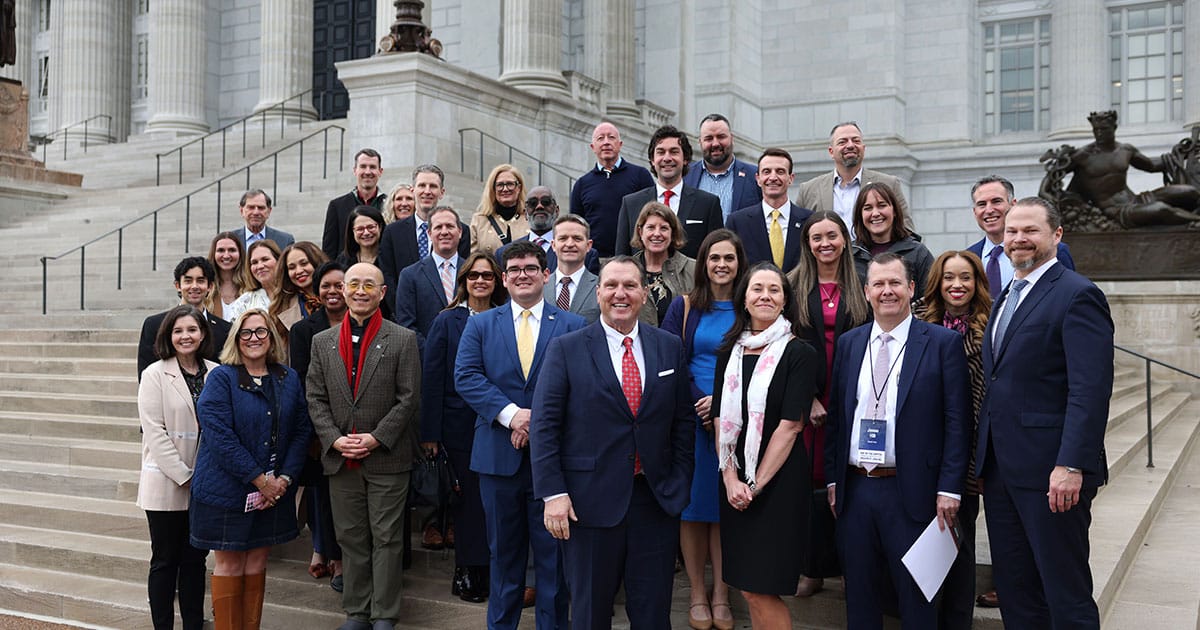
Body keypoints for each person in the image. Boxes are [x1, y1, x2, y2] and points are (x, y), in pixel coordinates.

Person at [531, 256, 695, 630]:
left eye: (630, 286)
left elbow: (682, 421)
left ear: (643, 294)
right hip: (586, 504)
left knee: (653, 614)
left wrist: (680, 482)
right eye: (611, 286)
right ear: (599, 292)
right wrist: (553, 493)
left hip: (655, 500)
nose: (620, 294)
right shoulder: (567, 348)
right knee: (589, 614)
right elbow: (545, 426)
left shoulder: (668, 346)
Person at [976, 198, 1114, 630]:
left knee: (1064, 591)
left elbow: (1089, 391)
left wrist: (1071, 464)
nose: (1019, 239)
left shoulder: (1078, 294)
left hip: (1053, 474)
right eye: (1012, 231)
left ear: (1056, 235)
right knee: (1017, 591)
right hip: (1001, 473)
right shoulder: (1004, 298)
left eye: (1030, 230)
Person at [824, 253, 970, 630]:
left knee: (918, 599)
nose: (886, 291)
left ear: (910, 288)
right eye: (878, 284)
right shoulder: (850, 344)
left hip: (915, 494)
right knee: (859, 596)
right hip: (856, 490)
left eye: (894, 283)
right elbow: (838, 418)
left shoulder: (942, 343)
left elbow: (958, 422)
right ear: (866, 291)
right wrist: (833, 480)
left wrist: (950, 489)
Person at [454, 240, 583, 630]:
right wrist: (513, 417)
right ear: (504, 280)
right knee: (504, 559)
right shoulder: (479, 324)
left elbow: (580, 386)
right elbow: (467, 377)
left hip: (555, 466)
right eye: (515, 270)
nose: (523, 275)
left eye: (531, 268)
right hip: (498, 461)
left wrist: (535, 422)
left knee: (553, 563)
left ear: (546, 274)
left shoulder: (573, 326)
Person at [306, 263, 423, 630]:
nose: (359, 290)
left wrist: (376, 437)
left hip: (387, 455)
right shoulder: (322, 342)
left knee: (387, 538)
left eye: (368, 284)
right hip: (341, 458)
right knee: (351, 537)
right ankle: (357, 610)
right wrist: (335, 438)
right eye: (352, 283)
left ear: (382, 292)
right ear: (342, 290)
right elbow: (315, 396)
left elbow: (408, 399)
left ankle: (384, 612)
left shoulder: (402, 338)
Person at [190, 309, 312, 630]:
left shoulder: (288, 378)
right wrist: (260, 480)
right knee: (229, 564)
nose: (254, 338)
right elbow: (219, 437)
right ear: (236, 339)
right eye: (246, 333)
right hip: (226, 491)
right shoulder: (221, 378)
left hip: (273, 491)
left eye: (261, 332)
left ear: (271, 337)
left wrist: (284, 479)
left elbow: (301, 431)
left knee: (257, 561)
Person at [711, 262, 817, 629]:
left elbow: (790, 426)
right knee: (746, 586)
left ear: (785, 300)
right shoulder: (729, 352)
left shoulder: (799, 354)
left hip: (777, 485)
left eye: (774, 289)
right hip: (734, 483)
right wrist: (730, 481)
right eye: (757, 288)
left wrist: (753, 486)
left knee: (762, 588)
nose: (765, 296)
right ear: (744, 298)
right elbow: (719, 421)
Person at [659, 229, 748, 630]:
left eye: (729, 258)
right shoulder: (685, 306)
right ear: (703, 263)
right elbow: (671, 359)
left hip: (742, 420)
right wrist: (704, 403)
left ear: (739, 263)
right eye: (714, 258)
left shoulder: (752, 305)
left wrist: (726, 405)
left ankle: (722, 594)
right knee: (694, 511)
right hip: (693, 419)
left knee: (729, 510)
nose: (721, 265)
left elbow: (764, 362)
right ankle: (697, 592)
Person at [785, 210, 871, 597]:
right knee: (811, 484)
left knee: (852, 482)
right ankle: (811, 567)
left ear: (844, 239)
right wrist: (808, 398)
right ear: (807, 243)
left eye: (832, 236)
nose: (825, 244)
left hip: (858, 397)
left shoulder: (864, 284)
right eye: (816, 237)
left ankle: (850, 565)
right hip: (811, 405)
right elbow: (784, 348)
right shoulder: (792, 285)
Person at [421, 253, 509, 603]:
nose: (481, 281)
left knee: (497, 503)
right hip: (459, 427)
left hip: (501, 423)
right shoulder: (447, 321)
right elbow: (432, 378)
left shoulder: (508, 317)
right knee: (469, 503)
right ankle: (469, 570)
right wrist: (430, 432)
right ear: (464, 281)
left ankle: (496, 568)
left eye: (488, 275)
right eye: (474, 275)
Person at [916, 250, 992, 630]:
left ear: (977, 282)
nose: (957, 285)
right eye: (949, 278)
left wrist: (979, 462)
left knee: (959, 545)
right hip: (921, 452)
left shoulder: (990, 328)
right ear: (937, 283)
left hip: (968, 456)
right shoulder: (916, 323)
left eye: (965, 277)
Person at [136, 305, 216, 630]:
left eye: (192, 330)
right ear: (169, 336)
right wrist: (186, 476)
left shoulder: (216, 371)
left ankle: (194, 625)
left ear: (203, 334)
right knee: (166, 561)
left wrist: (206, 478)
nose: (186, 336)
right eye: (178, 331)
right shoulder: (155, 373)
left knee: (195, 561)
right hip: (167, 484)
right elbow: (154, 432)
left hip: (206, 484)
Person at [288, 261, 347, 592]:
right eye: (326, 286)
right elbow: (301, 381)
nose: (332, 291)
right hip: (320, 428)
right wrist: (315, 431)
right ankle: (334, 557)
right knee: (323, 497)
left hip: (358, 427)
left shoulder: (363, 323)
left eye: (339, 285)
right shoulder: (304, 331)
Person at [1054, 110, 1200, 228]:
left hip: (1137, 199)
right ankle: (1196, 219)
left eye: (1103, 129)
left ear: (1114, 128)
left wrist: (1180, 153)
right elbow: (1055, 175)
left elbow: (1152, 165)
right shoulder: (1083, 156)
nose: (1099, 134)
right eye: (1096, 130)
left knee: (1189, 191)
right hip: (1117, 210)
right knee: (1161, 209)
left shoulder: (1126, 150)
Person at [615, 125, 724, 260]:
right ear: (652, 160)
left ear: (685, 159)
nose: (667, 158)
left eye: (674, 152)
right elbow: (621, 257)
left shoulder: (708, 204)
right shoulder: (631, 204)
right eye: (661, 152)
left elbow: (716, 255)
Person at [796, 122, 910, 240]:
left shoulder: (889, 184)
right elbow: (798, 236)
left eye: (856, 141)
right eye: (842, 142)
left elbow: (906, 230)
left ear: (863, 149)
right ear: (831, 151)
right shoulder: (809, 190)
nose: (850, 145)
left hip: (875, 257)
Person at [967, 175, 1075, 298]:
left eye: (996, 201)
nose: (989, 209)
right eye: (982, 204)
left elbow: (1067, 297)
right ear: (975, 212)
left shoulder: (1054, 250)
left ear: (1013, 205)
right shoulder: (969, 257)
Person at [377, 165, 471, 293]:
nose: (427, 191)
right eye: (422, 186)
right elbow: (388, 276)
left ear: (442, 192)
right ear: (413, 189)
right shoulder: (393, 232)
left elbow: (461, 275)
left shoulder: (460, 231)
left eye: (433, 186)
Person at [138, 256, 232, 380]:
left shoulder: (225, 329)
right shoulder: (154, 325)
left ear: (210, 286)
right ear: (178, 285)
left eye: (200, 281)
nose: (194, 286)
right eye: (188, 281)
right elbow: (146, 376)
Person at [569, 122, 655, 258]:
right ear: (593, 147)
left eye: (611, 137)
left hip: (634, 257)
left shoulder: (640, 175)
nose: (606, 142)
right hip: (595, 260)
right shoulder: (582, 184)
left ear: (620, 144)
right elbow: (575, 225)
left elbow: (653, 214)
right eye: (600, 138)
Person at [726, 148, 813, 272]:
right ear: (758, 178)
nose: (773, 177)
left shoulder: (809, 221)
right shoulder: (738, 222)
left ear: (791, 178)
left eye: (780, 172)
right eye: (766, 172)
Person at [394, 206, 467, 342]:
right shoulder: (410, 275)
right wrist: (431, 354)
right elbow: (406, 324)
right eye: (438, 227)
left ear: (460, 232)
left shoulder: (473, 272)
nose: (444, 232)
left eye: (450, 226)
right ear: (429, 234)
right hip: (426, 358)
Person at [496, 185, 600, 275]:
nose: (539, 206)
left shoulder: (586, 255)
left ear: (557, 210)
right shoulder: (503, 254)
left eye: (546, 202)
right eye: (533, 203)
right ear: (525, 213)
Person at [850, 182, 934, 292]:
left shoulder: (918, 253)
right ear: (860, 215)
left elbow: (930, 298)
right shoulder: (850, 255)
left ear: (894, 211)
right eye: (868, 208)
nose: (875, 213)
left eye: (882, 205)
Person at [683, 113, 762, 221]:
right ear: (700, 142)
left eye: (721, 137)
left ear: (731, 138)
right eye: (709, 138)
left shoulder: (755, 176)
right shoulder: (685, 175)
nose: (715, 143)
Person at [630, 202, 696, 326]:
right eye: (651, 227)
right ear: (640, 232)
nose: (657, 234)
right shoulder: (627, 270)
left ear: (673, 233)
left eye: (664, 228)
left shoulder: (693, 269)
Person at [323, 149, 386, 260]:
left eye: (372, 167)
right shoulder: (337, 206)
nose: (367, 172)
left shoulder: (389, 204)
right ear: (355, 170)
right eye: (363, 166)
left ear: (380, 171)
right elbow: (329, 250)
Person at [543, 215, 600, 324]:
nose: (569, 244)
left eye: (577, 238)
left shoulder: (602, 287)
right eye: (563, 238)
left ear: (588, 245)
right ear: (553, 245)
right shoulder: (539, 287)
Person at [269, 242, 330, 336]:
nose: (299, 271)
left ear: (316, 262)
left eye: (304, 263)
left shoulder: (339, 297)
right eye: (292, 267)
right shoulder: (281, 307)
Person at [471, 164, 530, 258]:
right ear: (493, 189)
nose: (505, 189)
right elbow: (471, 258)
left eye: (510, 184)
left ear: (519, 188)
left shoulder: (529, 220)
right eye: (500, 185)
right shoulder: (479, 220)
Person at [226, 239, 282, 323]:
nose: (260, 266)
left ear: (279, 261)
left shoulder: (293, 295)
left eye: (265, 259)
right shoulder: (243, 303)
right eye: (254, 262)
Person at [205, 232, 248, 321]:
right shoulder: (205, 288)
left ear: (240, 254)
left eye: (232, 250)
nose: (226, 255)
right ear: (213, 254)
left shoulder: (251, 286)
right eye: (221, 250)